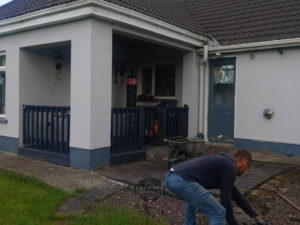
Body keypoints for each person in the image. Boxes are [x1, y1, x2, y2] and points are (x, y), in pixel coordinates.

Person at [165, 149, 267, 225]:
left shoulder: (224, 164)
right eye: (247, 168)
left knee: (192, 202)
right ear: (244, 162)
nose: (245, 172)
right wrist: (233, 222)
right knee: (218, 212)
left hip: (172, 176)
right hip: (182, 180)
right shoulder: (230, 166)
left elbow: (236, 196)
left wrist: (255, 216)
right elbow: (225, 199)